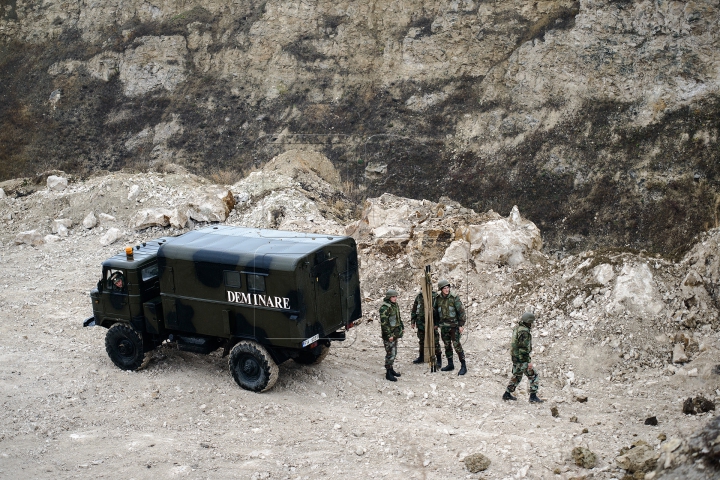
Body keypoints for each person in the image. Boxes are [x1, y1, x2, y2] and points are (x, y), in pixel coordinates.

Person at [503, 311, 544, 403]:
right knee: (533, 375)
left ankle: (507, 394)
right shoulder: (524, 332)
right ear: (528, 322)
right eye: (531, 322)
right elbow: (523, 348)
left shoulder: (517, 328)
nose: (531, 324)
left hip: (515, 357)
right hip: (521, 359)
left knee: (517, 375)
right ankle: (533, 397)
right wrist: (528, 361)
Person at [433, 279, 467, 375]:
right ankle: (450, 364)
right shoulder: (438, 299)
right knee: (447, 345)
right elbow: (435, 312)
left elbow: (461, 312)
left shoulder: (454, 297)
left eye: (448, 287)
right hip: (444, 326)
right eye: (444, 288)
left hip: (454, 326)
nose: (447, 290)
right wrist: (436, 323)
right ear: (441, 289)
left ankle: (463, 366)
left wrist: (461, 325)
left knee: (457, 346)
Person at [410, 290, 441, 369]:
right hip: (420, 323)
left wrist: (437, 323)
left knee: (435, 340)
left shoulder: (434, 296)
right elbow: (414, 309)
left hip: (431, 323)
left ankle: (439, 359)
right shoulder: (419, 296)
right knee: (422, 341)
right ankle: (421, 357)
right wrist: (413, 321)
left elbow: (438, 311)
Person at [379, 289, 404, 382]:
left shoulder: (395, 306)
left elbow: (398, 318)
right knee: (390, 353)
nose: (395, 298)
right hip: (389, 335)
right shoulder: (384, 308)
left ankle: (391, 369)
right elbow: (384, 324)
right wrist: (389, 335)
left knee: (394, 352)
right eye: (393, 297)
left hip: (395, 333)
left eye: (396, 296)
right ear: (389, 297)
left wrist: (402, 327)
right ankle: (388, 373)